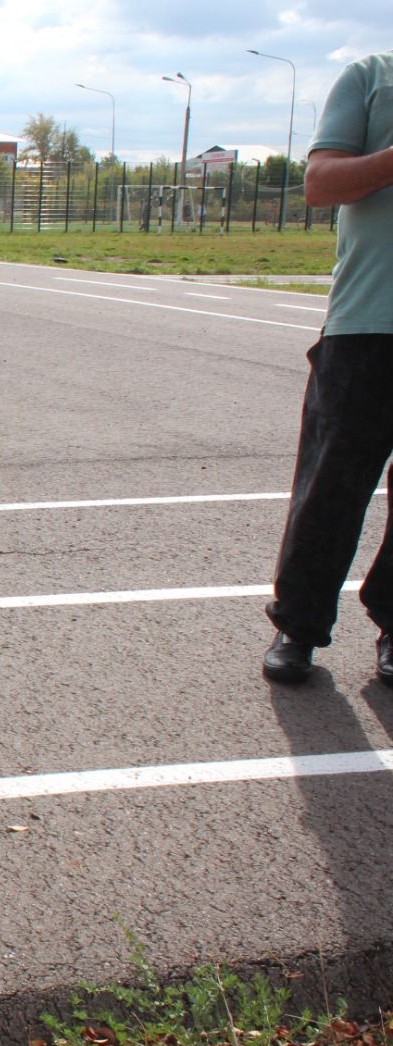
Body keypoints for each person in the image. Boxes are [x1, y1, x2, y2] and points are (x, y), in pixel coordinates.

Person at [262, 49, 393, 685]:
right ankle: (299, 626)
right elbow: (321, 183)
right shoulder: (371, 77)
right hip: (370, 320)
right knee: (331, 489)